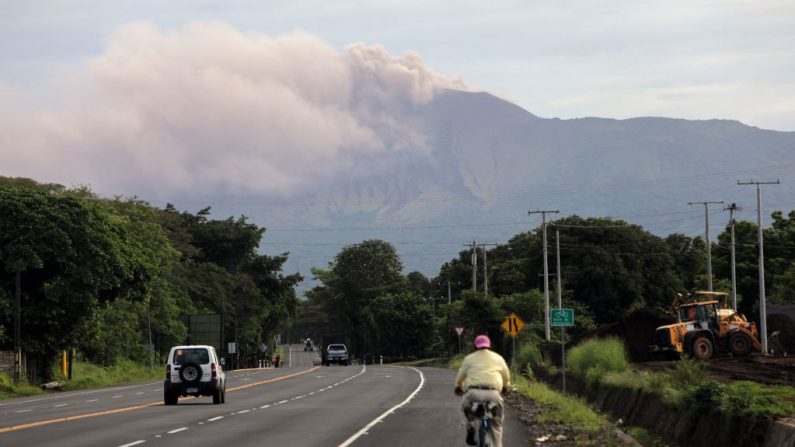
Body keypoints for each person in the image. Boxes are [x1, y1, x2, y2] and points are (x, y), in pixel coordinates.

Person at [455, 334, 511, 447]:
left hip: (473, 393)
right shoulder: (498, 358)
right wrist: (506, 387)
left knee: (463, 408)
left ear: (476, 346)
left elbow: (460, 377)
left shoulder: (469, 358)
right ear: (489, 346)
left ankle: (470, 427)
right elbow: (506, 376)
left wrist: (458, 387)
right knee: (496, 425)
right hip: (493, 394)